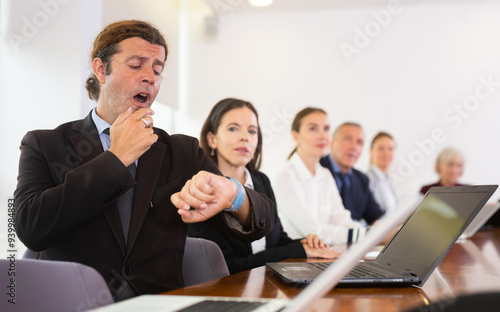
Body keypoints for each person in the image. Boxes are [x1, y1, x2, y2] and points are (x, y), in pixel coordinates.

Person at [14, 20, 276, 301]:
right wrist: (116, 159)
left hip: (160, 305)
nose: (150, 76)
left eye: (157, 69)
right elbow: (30, 227)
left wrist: (234, 195)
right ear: (101, 70)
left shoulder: (182, 151)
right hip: (78, 303)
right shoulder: (45, 144)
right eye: (136, 65)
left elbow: (264, 220)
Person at [188, 98, 338, 274]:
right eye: (233, 128)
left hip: (270, 283)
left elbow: (278, 240)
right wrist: (297, 250)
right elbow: (228, 268)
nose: (245, 137)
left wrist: (306, 244)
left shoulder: (261, 181)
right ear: (212, 139)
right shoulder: (202, 189)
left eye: (252, 131)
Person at [273, 107, 368, 245]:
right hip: (294, 259)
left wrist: (373, 234)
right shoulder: (285, 177)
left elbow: (342, 220)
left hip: (322, 255)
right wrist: (366, 235)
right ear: (295, 136)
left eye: (326, 129)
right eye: (313, 128)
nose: (323, 136)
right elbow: (314, 231)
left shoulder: (325, 175)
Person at [320, 122, 384, 225]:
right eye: (347, 139)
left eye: (359, 142)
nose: (354, 147)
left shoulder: (362, 179)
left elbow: (376, 216)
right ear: (332, 142)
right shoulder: (317, 169)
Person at [366, 132, 398, 214]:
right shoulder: (367, 180)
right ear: (371, 151)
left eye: (390, 149)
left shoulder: (388, 179)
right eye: (381, 148)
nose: (386, 153)